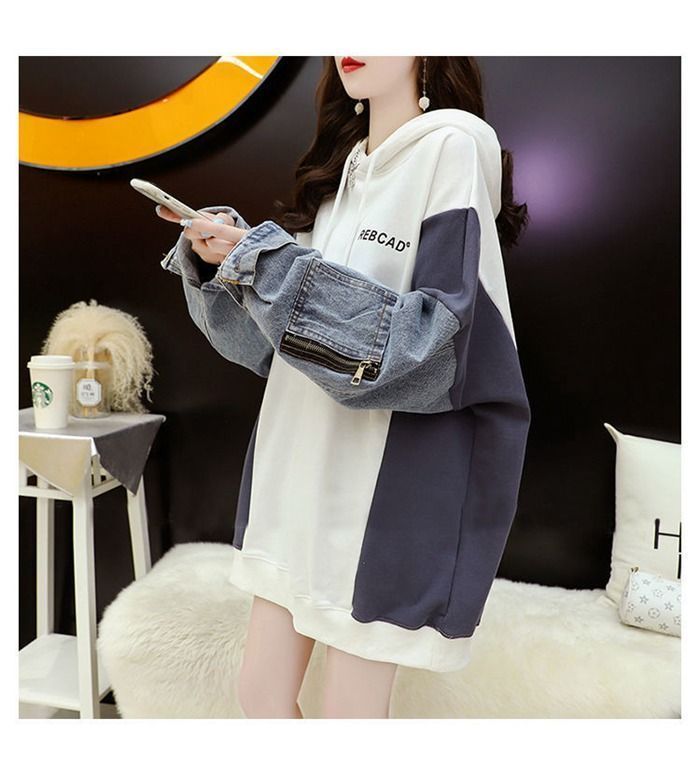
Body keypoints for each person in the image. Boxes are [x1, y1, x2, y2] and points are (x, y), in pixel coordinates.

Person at [157, 56, 531, 719]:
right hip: (298, 477)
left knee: (348, 720)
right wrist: (233, 260)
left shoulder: (449, 150)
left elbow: (434, 343)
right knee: (260, 696)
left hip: (377, 496)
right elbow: (287, 347)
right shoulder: (342, 171)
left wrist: (270, 265)